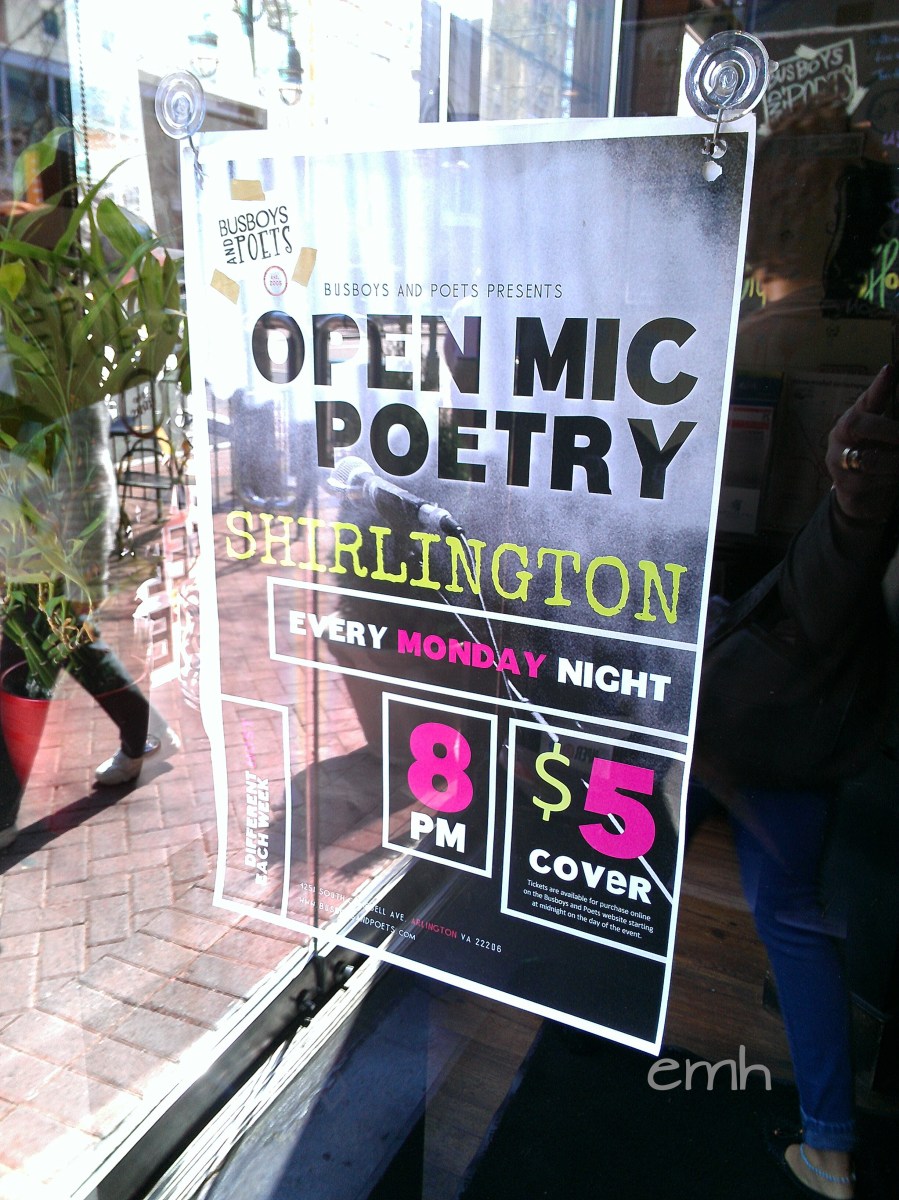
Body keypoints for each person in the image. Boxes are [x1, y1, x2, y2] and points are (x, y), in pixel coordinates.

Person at [694, 362, 899, 1199]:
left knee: (617, 849)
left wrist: (854, 489)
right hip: (806, 739)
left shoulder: (869, 504)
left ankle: (590, 1003)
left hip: (754, 734)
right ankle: (829, 1148)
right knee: (791, 921)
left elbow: (838, 559)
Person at [0, 401, 163, 851]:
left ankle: (1, 813)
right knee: (75, 648)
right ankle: (140, 732)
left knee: (18, 675)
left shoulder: (59, 374)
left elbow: (89, 473)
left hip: (47, 561)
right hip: (21, 557)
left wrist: (88, 574)